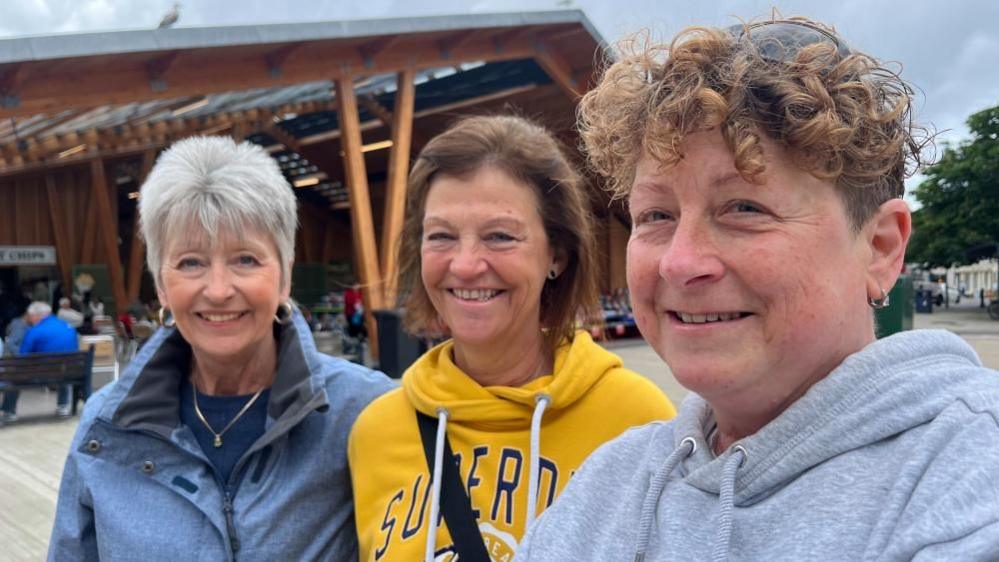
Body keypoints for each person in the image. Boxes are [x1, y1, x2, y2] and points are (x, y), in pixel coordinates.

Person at [516, 16, 999, 561]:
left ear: (881, 247)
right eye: (655, 214)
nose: (680, 263)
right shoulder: (610, 483)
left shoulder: (967, 470)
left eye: (745, 208)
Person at [48, 136, 395, 560]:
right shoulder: (107, 428)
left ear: (284, 277)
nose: (217, 290)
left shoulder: (362, 413)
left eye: (245, 259)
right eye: (191, 262)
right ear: (161, 285)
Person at [348, 115, 676, 561]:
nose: (464, 265)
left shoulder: (638, 421)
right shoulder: (376, 433)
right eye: (441, 236)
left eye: (499, 236)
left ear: (555, 254)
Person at [0, 301, 79, 422]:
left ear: (39, 315)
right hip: (67, 373)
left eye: (31, 316)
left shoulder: (34, 331)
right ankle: (63, 406)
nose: (30, 320)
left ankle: (9, 412)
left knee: (14, 376)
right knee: (63, 367)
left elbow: (23, 356)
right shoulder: (68, 327)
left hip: (40, 375)